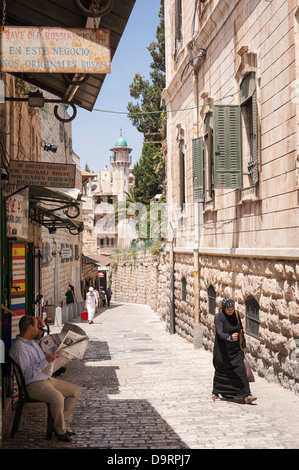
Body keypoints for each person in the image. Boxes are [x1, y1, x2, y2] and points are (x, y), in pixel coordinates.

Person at [9, 315, 81, 442]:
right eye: (36, 327)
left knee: (75, 391)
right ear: (30, 327)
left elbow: (41, 357)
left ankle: (60, 425)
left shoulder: (32, 343)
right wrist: (46, 360)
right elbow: (27, 374)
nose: (38, 329)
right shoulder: (20, 348)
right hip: (32, 385)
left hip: (46, 379)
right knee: (58, 397)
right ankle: (60, 431)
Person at [212, 297, 257, 404]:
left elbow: (241, 330)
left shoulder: (236, 315)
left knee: (240, 370)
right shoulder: (219, 317)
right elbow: (220, 333)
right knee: (221, 371)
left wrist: (244, 344)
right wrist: (230, 337)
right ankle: (215, 392)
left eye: (232, 308)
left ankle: (247, 394)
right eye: (228, 309)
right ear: (223, 309)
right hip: (222, 350)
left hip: (235, 350)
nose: (231, 311)